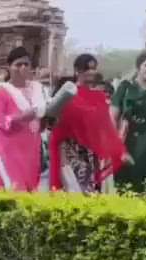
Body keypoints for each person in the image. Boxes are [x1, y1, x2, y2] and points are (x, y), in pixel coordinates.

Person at [50, 54, 128, 194]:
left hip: (92, 155)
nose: (91, 72)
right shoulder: (66, 94)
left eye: (93, 68)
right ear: (77, 71)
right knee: (72, 193)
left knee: (92, 194)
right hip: (71, 153)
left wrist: (117, 151)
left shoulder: (98, 97)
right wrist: (62, 158)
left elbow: (106, 128)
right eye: (87, 68)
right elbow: (54, 126)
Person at [0, 48, 47, 192]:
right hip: (7, 150)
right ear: (9, 67)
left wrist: (48, 117)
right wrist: (21, 117)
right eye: (18, 64)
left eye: (26, 64)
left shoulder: (39, 90)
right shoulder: (1, 91)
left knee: (31, 193)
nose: (23, 68)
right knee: (13, 193)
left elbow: (42, 123)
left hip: (31, 151)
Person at [111, 51, 146, 194]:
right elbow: (112, 119)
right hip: (129, 148)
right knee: (128, 192)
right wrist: (118, 149)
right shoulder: (126, 88)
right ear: (138, 67)